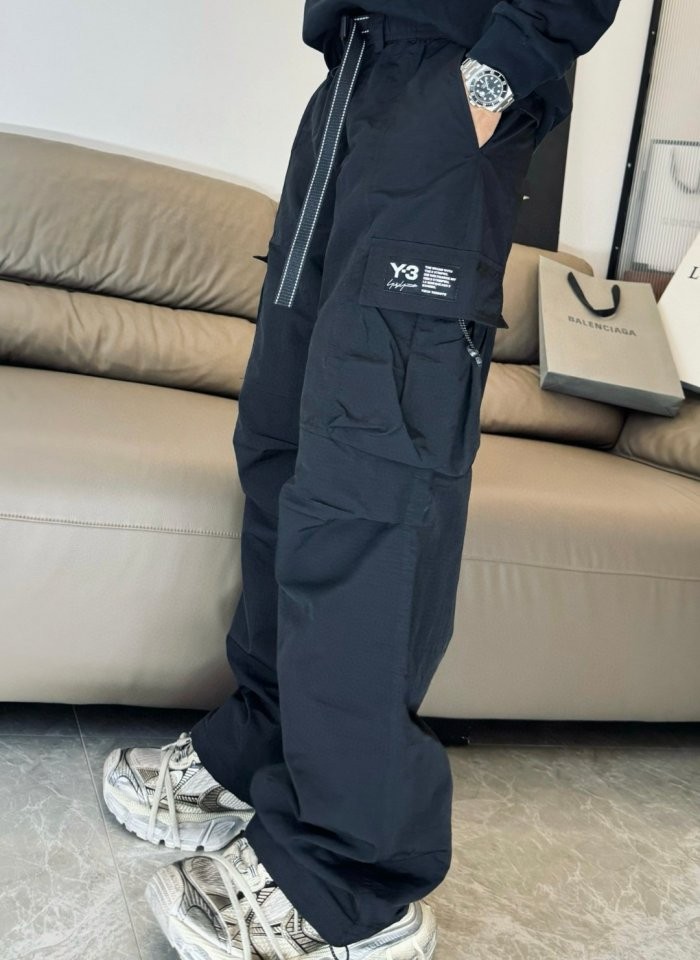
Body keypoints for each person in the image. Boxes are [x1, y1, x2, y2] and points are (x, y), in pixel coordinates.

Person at [102, 2, 621, 957]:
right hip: (353, 76)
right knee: (282, 449)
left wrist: (489, 79)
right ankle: (262, 743)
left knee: (370, 482)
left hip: (446, 84)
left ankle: (349, 876)